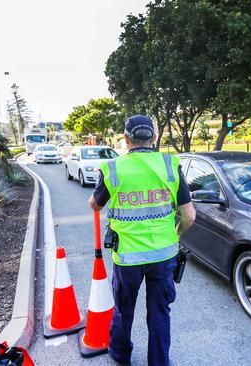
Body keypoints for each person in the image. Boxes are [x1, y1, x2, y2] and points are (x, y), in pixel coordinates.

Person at [89, 115, 195, 366]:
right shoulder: (170, 165)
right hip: (164, 256)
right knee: (160, 314)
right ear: (155, 137)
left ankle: (120, 355)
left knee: (124, 311)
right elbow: (189, 216)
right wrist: (175, 234)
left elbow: (95, 204)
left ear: (126, 140)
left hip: (127, 258)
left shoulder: (113, 168)